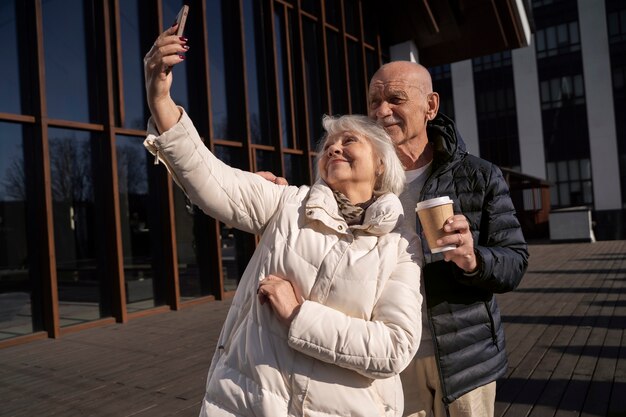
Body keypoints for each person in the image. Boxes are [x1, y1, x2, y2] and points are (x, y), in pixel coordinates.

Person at [143, 26, 423, 417]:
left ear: (380, 164)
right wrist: (160, 96)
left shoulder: (400, 245)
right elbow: (208, 177)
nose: (334, 148)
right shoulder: (288, 204)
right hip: (248, 404)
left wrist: (298, 314)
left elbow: (393, 348)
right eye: (328, 146)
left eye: (348, 141)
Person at [262, 60, 529, 417]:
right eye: (374, 101)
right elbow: (319, 231)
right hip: (386, 364)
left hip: (465, 359)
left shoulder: (478, 175)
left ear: (430, 106)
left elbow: (514, 260)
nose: (381, 110)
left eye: (396, 98)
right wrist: (280, 202)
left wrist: (473, 259)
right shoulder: (358, 177)